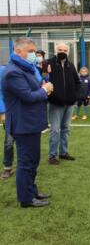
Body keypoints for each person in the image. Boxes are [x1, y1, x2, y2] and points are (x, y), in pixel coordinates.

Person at [2, 37, 54, 207]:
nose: (34, 55)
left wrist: (42, 87)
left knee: (33, 161)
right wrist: (44, 90)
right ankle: (25, 198)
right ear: (18, 52)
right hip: (23, 124)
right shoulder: (13, 72)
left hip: (31, 123)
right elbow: (28, 96)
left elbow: (34, 89)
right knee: (26, 163)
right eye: (31, 52)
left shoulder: (26, 68)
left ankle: (32, 191)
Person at [47, 43, 80, 165]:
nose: (63, 52)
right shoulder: (48, 63)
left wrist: (75, 97)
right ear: (55, 50)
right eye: (60, 49)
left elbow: (77, 82)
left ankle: (63, 152)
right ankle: (52, 155)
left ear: (68, 52)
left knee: (66, 129)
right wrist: (52, 96)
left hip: (69, 104)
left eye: (65, 50)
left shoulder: (71, 65)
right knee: (55, 130)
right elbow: (42, 81)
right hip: (55, 104)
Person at [0, 64, 16, 179]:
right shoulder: (3, 70)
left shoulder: (29, 68)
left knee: (26, 143)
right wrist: (3, 111)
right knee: (9, 141)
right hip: (10, 113)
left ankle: (26, 167)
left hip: (25, 112)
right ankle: (7, 168)